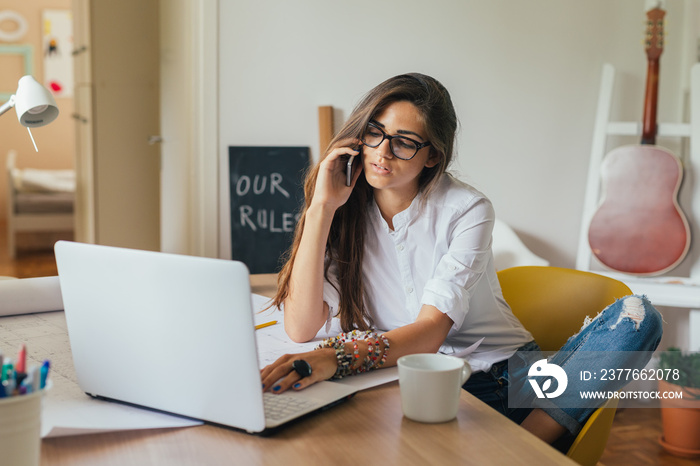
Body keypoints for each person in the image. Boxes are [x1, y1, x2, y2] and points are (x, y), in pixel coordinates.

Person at [260, 73, 663, 446]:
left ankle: (528, 444)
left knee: (640, 316)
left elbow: (431, 331)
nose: (382, 152)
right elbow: (300, 327)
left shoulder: (467, 210)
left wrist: (336, 357)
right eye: (374, 133)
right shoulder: (343, 213)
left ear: (432, 155)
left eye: (403, 142)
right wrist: (320, 209)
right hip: (403, 381)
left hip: (507, 377)